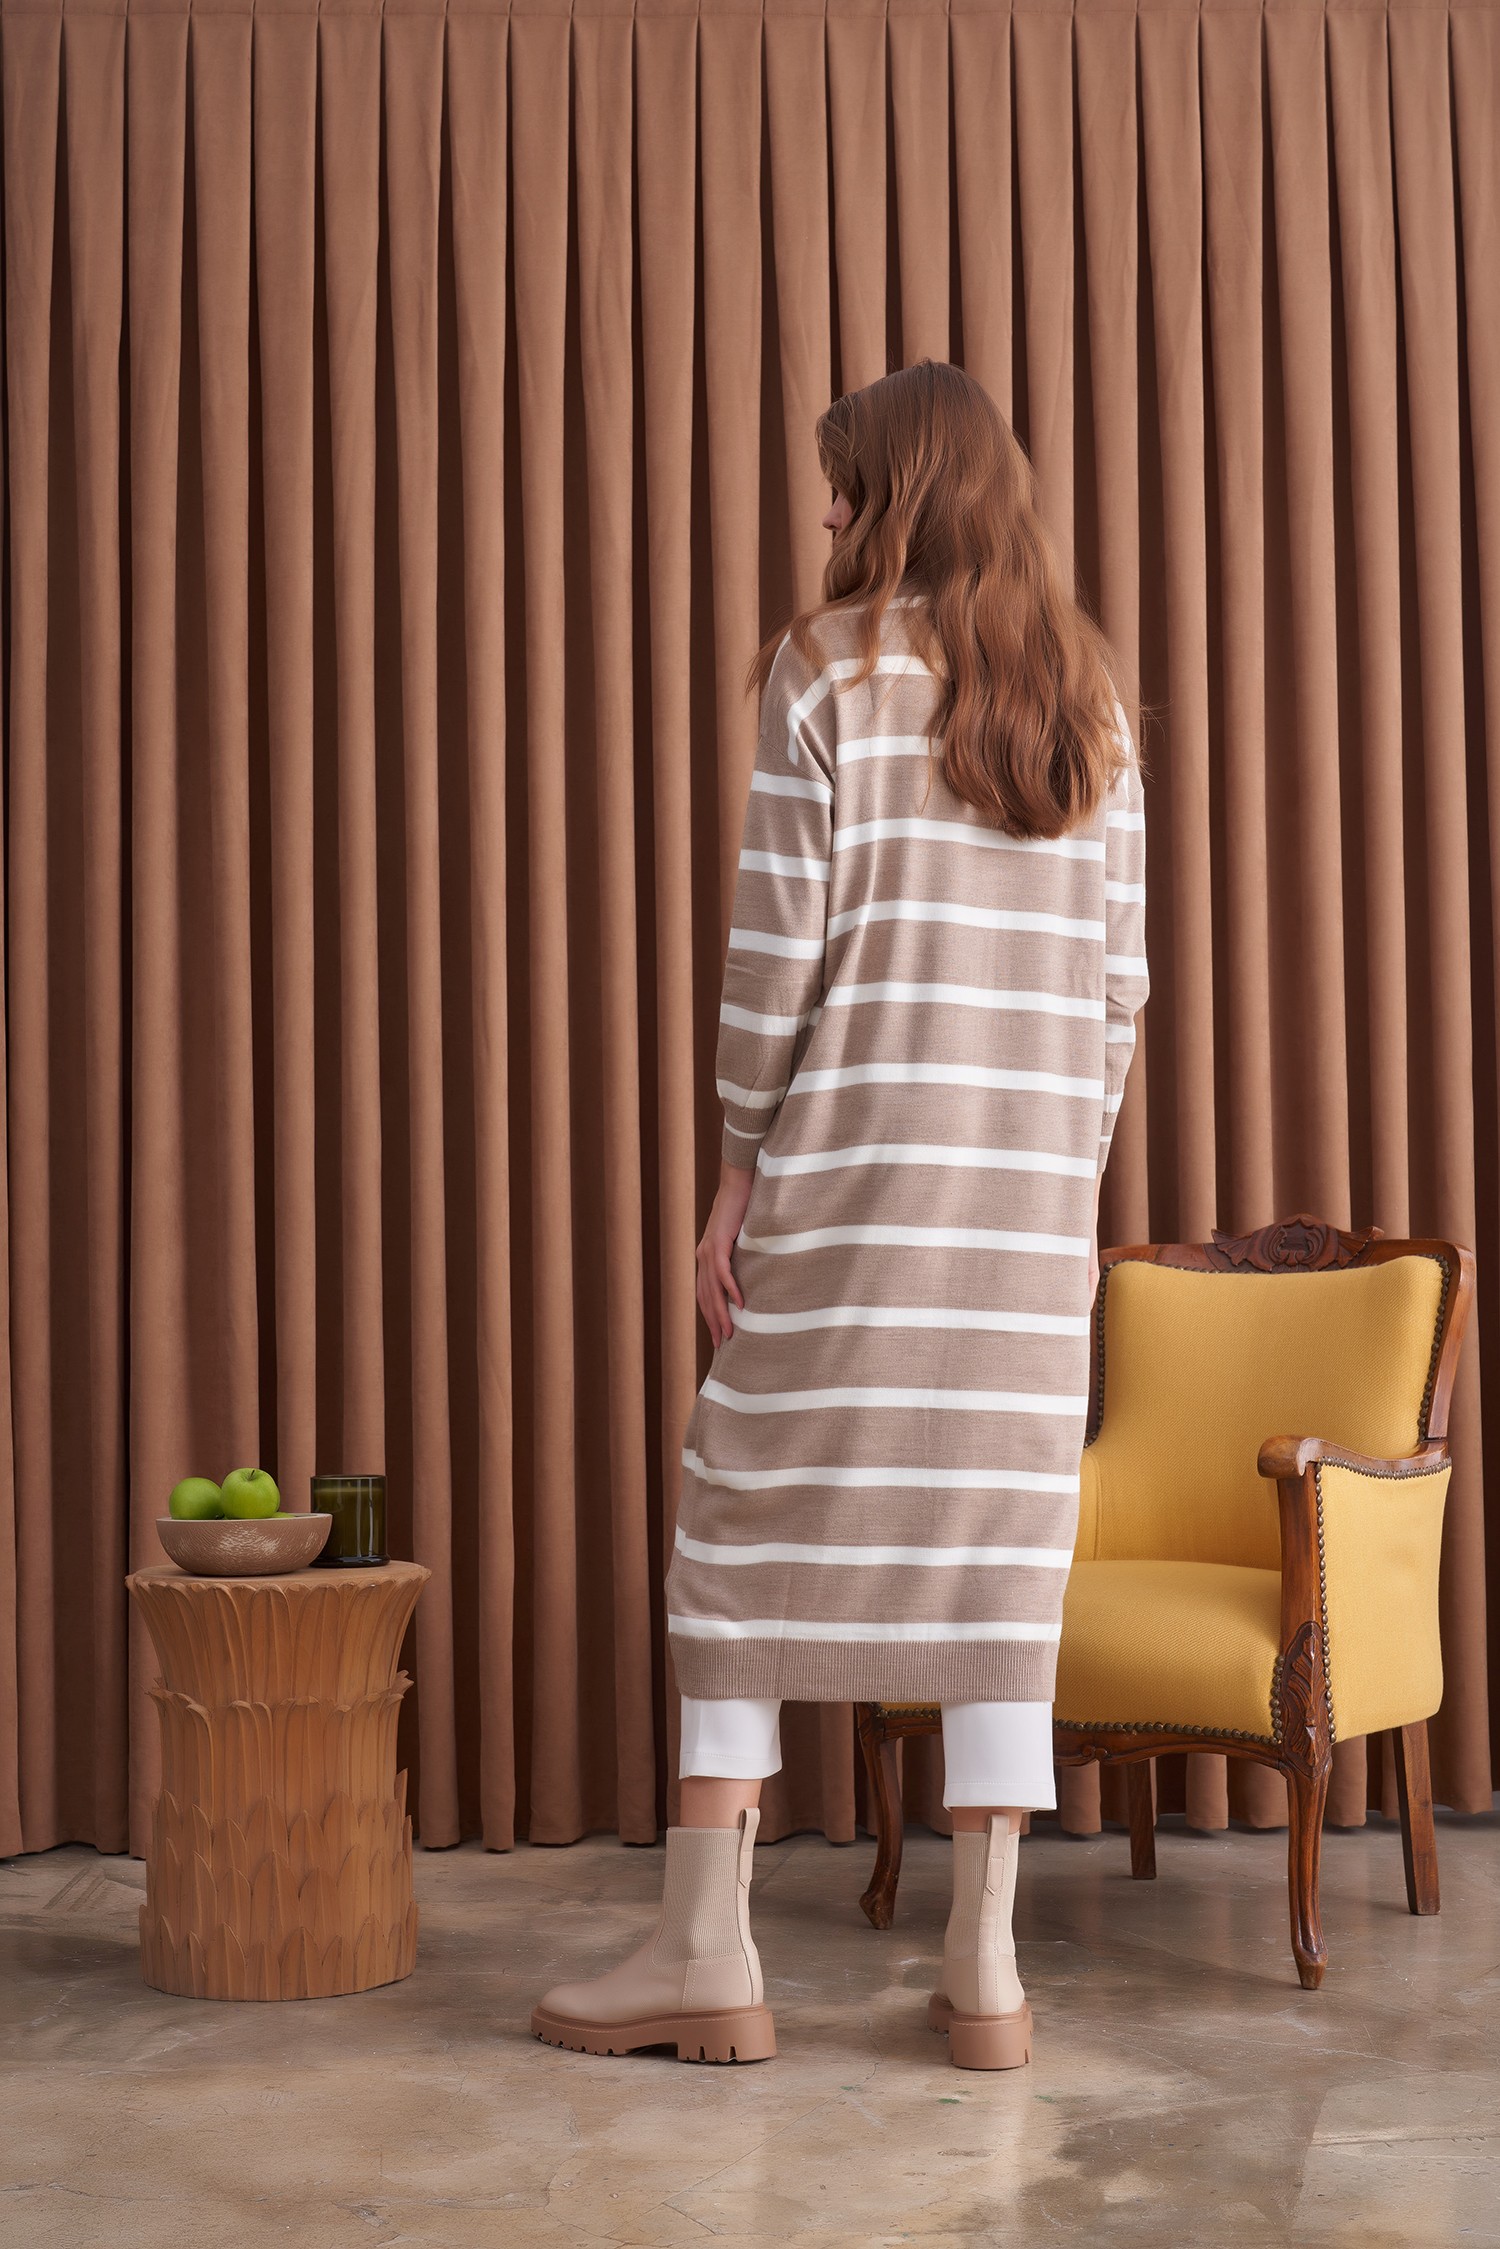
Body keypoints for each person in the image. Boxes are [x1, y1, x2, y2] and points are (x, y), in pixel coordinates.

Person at [532, 359, 1149, 2072]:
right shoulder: (1092, 696)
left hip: (852, 1187)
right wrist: (1059, 1180)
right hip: (1026, 1229)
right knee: (1000, 1569)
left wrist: (737, 1168)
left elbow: (772, 964)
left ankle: (705, 1946)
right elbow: (1119, 991)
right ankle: (986, 1970)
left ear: (903, 494)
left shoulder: (830, 671)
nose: (823, 512)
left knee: (733, 1531)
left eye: (842, 484)